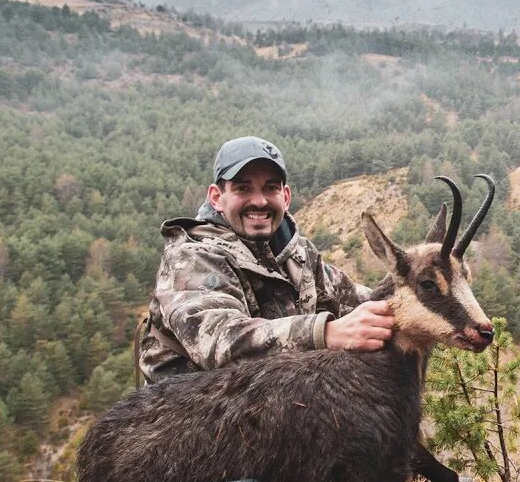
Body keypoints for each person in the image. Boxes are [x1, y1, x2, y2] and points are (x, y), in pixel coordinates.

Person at [136, 136, 396, 383]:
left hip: (279, 401)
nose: (259, 201)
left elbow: (358, 299)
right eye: (243, 188)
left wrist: (417, 284)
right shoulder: (192, 257)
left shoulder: (298, 254)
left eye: (270, 188)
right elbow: (219, 340)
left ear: (286, 196)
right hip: (193, 414)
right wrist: (326, 333)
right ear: (217, 197)